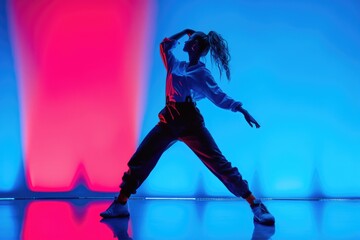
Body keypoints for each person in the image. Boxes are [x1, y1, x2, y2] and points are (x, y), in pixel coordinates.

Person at [100, 29, 275, 226]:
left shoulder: (201, 72)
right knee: (142, 157)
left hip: (189, 121)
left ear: (194, 47)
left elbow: (217, 95)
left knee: (219, 164)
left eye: (189, 40)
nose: (185, 41)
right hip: (169, 119)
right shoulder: (176, 65)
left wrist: (240, 108)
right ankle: (121, 204)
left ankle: (255, 205)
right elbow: (164, 45)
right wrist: (184, 32)